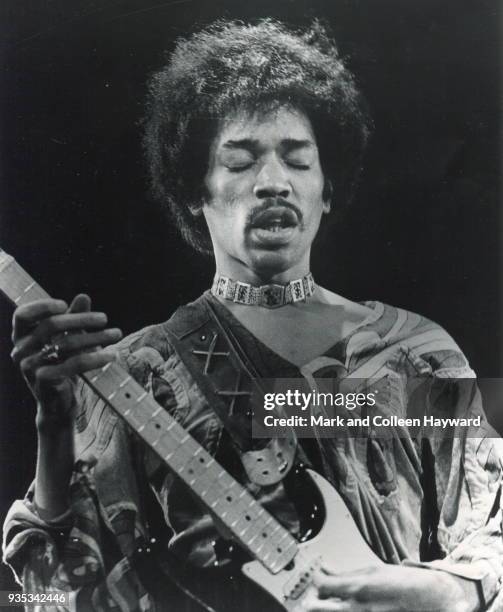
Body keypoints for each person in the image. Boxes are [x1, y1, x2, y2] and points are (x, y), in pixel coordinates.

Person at [3, 19, 503, 612]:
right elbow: (36, 601)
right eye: (240, 162)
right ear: (196, 189)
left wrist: (450, 591)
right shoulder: (138, 377)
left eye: (297, 160)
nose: (273, 183)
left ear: (327, 187)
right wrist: (53, 431)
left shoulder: (415, 352)